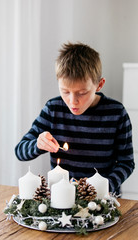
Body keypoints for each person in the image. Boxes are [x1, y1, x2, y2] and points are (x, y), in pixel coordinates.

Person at [15, 42, 134, 195]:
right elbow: (20, 151)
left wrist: (104, 188)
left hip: (103, 201)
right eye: (65, 91)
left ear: (99, 85)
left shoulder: (116, 113)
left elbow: (126, 163)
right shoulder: (53, 109)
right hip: (60, 199)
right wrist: (38, 144)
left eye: (82, 93)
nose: (72, 101)